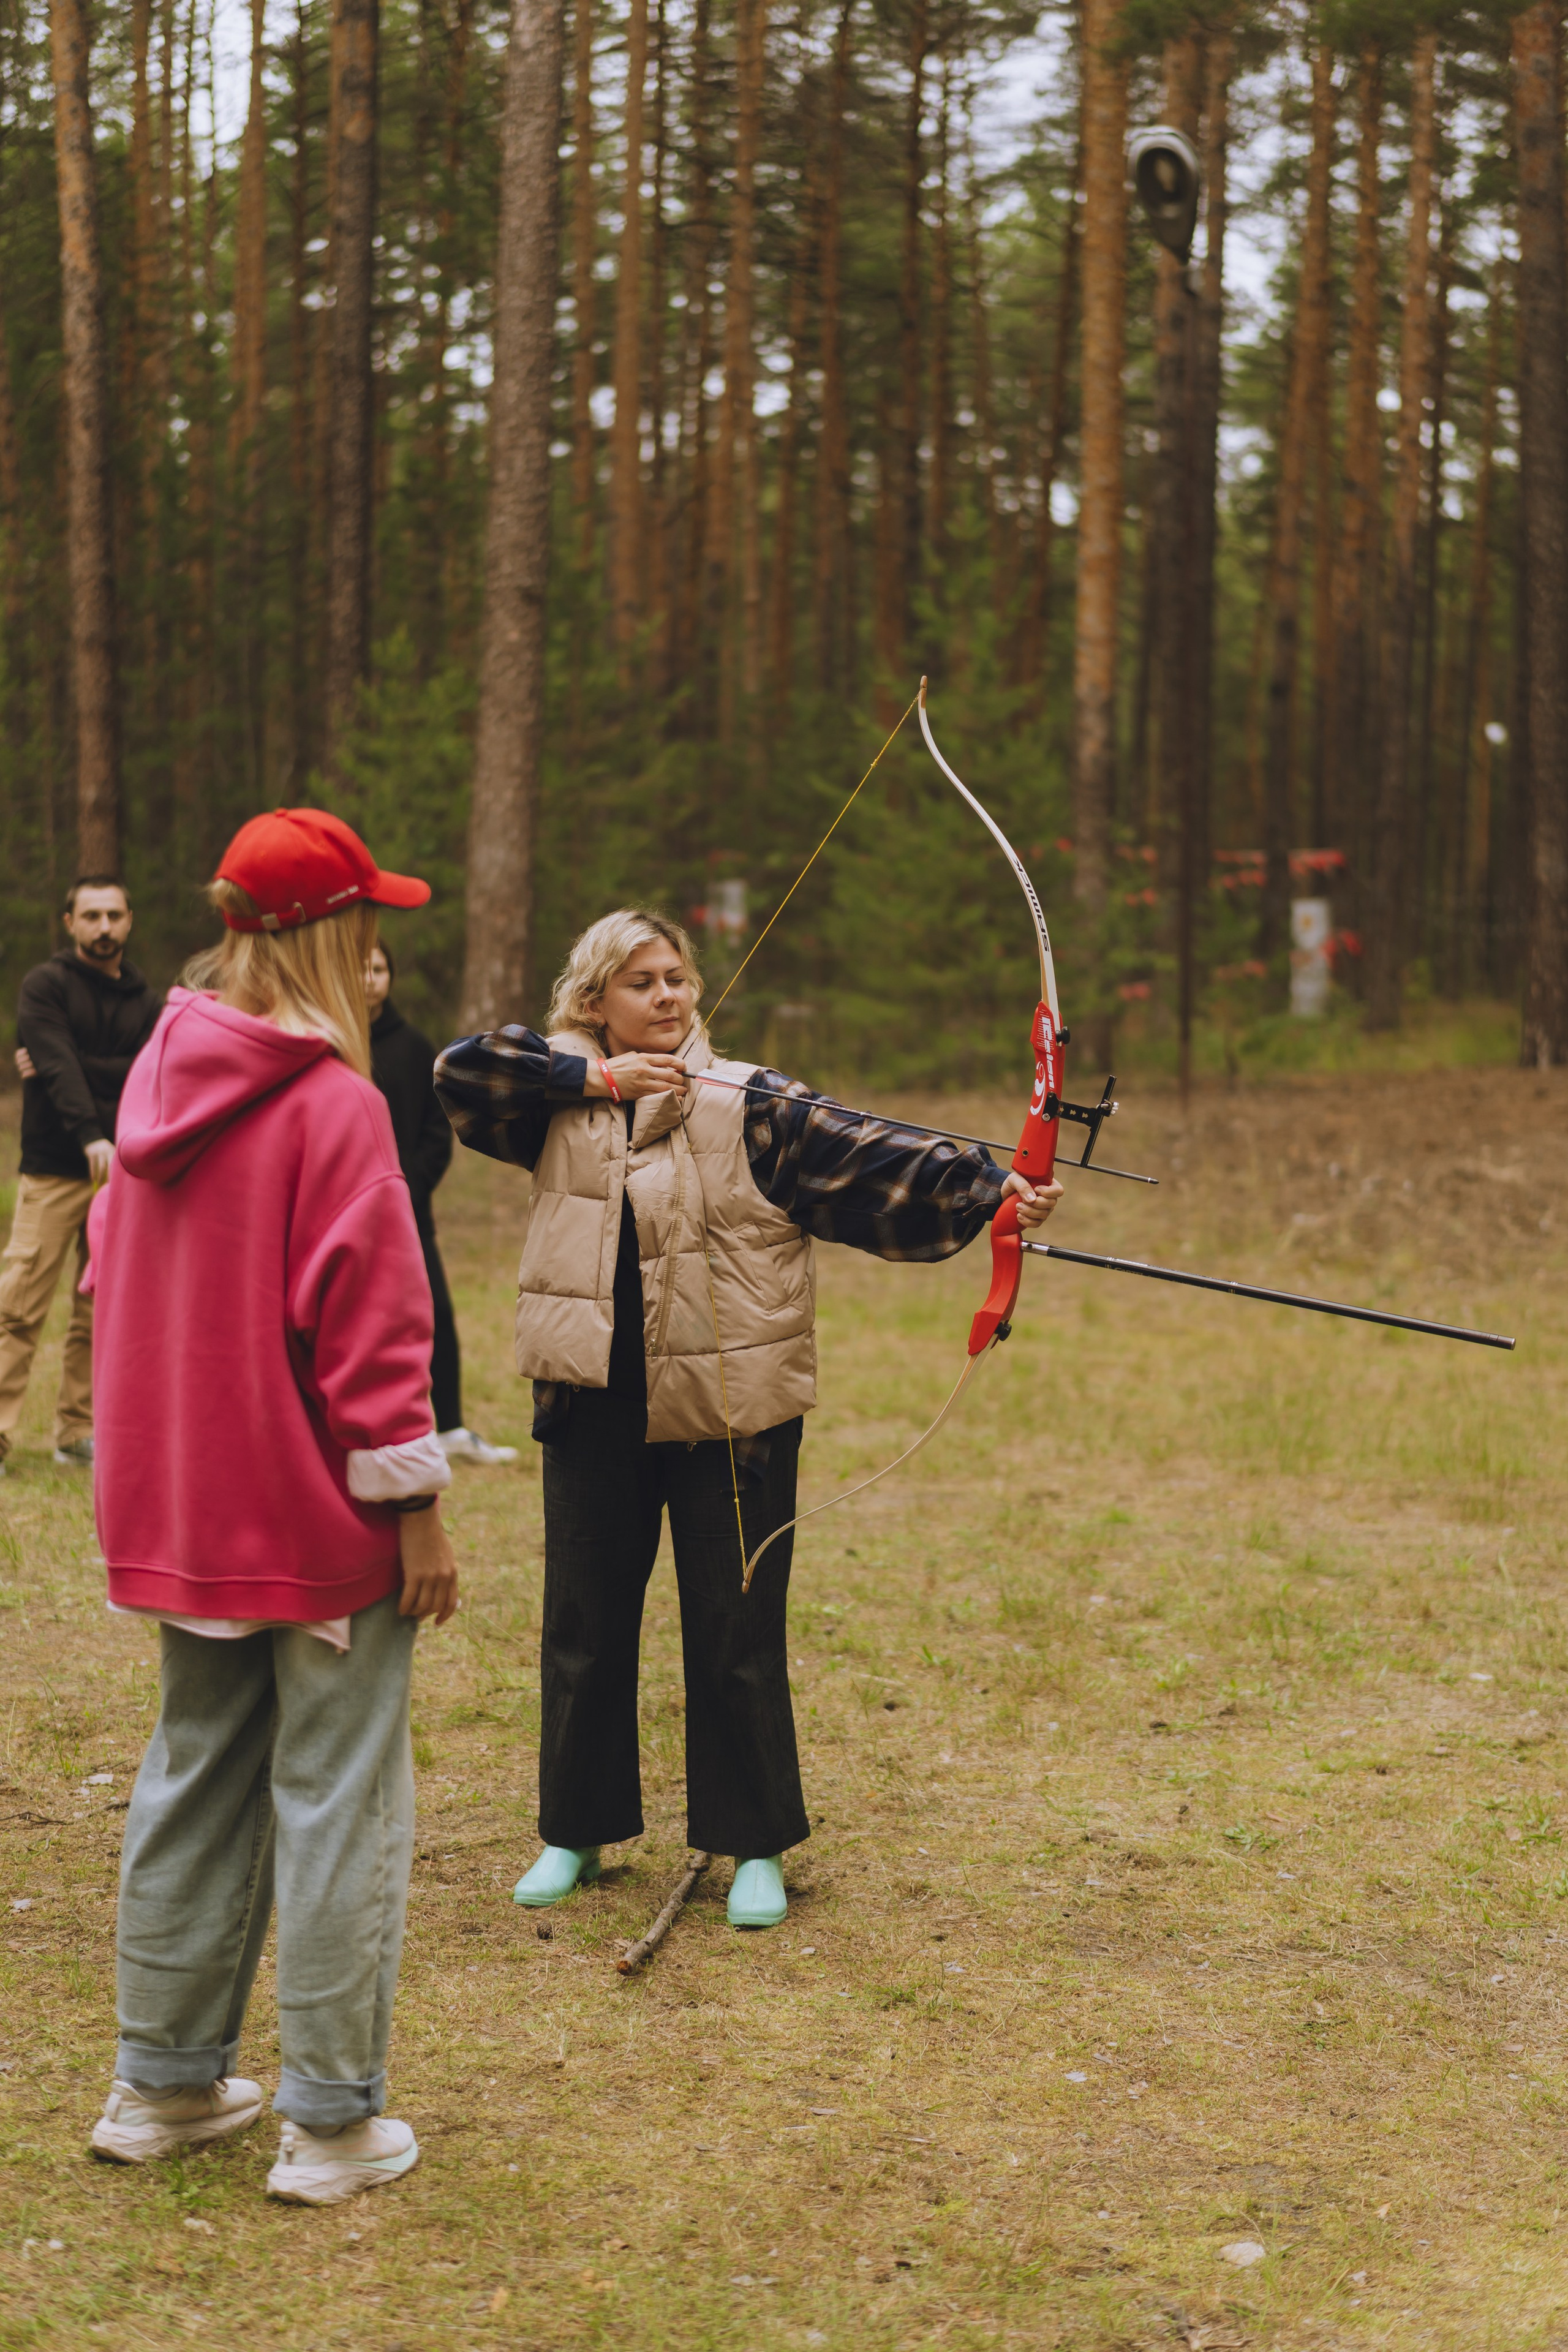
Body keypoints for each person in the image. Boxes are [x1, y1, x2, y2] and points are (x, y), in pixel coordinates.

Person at [435, 908, 1060, 1932]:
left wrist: (995, 1188)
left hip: (732, 1407)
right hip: (590, 1398)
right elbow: (461, 1074)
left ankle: (755, 1842)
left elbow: (871, 1157)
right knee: (584, 1623)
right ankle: (575, 1830)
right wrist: (597, 1081)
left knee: (736, 1625)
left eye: (677, 977)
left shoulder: (752, 1101)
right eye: (642, 983)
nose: (670, 996)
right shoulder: (549, 1097)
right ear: (593, 1003)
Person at [85, 807, 458, 2207]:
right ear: (320, 935)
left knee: (194, 1771)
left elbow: (107, 1288)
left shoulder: (152, 1081)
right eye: (366, 922)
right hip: (311, 1522)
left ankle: (165, 2082)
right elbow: (374, 1338)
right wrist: (414, 1504)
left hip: (178, 1514)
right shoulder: (331, 1105)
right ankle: (330, 2119)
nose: (378, 949)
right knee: (337, 1794)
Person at [1, 878, 160, 1476]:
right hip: (53, 1168)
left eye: (113, 915)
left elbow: (150, 1071)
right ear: (69, 922)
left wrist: (57, 1060)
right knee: (18, 1304)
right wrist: (91, 1124)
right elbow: (61, 1063)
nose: (103, 927)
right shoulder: (45, 985)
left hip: (124, 1174)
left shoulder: (149, 1002)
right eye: (90, 915)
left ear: (129, 921)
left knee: (99, 1312)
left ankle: (78, 1432)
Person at [365, 943, 516, 1467]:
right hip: (342, 1214)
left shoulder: (412, 1047)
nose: (369, 978)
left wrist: (410, 1186)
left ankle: (449, 1427)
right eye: (360, 967)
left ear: (391, 976)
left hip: (409, 1210)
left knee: (436, 1314)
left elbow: (437, 1131)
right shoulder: (331, 1040)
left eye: (379, 968)